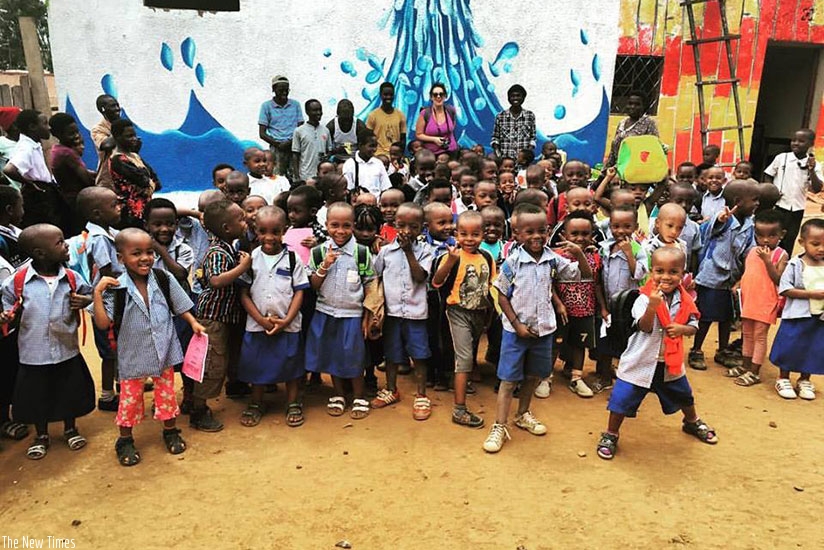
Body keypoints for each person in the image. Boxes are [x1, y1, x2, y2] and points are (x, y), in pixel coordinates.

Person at [93, 228, 204, 466]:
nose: (145, 258)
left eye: (149, 252)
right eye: (136, 253)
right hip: (133, 354)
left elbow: (180, 304)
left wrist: (193, 322)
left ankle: (170, 430)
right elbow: (103, 323)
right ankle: (125, 439)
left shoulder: (163, 278)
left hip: (163, 349)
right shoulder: (115, 287)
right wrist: (97, 293)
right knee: (130, 398)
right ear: (121, 258)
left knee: (166, 394)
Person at [596, 247, 717, 460]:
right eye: (660, 271)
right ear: (652, 272)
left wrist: (683, 330)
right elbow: (643, 326)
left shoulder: (686, 299)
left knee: (684, 395)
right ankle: (611, 433)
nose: (666, 277)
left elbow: (693, 324)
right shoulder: (643, 298)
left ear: (683, 273)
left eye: (673, 272)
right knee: (621, 399)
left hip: (668, 362)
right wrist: (652, 306)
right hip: (640, 360)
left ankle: (691, 421)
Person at [483, 204, 585, 453]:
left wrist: (580, 254)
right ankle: (499, 425)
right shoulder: (513, 261)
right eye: (529, 231)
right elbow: (501, 293)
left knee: (533, 376)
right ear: (516, 233)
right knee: (508, 380)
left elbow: (582, 274)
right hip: (515, 332)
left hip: (544, 331)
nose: (536, 236)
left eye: (541, 230)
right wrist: (516, 325)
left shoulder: (553, 259)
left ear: (548, 230)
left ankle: (523, 414)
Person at [1, 224, 95, 460]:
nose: (66, 246)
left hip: (66, 349)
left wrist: (85, 301)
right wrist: (7, 316)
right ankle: (41, 435)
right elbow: (7, 307)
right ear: (40, 253)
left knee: (68, 391)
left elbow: (91, 296)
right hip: (34, 352)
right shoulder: (19, 281)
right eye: (59, 243)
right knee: (38, 395)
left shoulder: (71, 277)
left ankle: (70, 429)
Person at [236, 206, 309, 427]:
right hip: (257, 325)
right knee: (257, 363)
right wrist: (260, 319)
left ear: (284, 231)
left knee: (291, 364)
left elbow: (299, 291)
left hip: (288, 323)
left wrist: (286, 320)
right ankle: (257, 402)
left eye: (275, 231)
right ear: (255, 231)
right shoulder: (250, 259)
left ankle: (293, 401)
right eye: (263, 231)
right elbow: (244, 294)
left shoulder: (293, 258)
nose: (269, 237)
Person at [305, 202, 377, 420]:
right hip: (325, 312)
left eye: (346, 225)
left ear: (353, 226)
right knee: (333, 355)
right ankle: (338, 394)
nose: (340, 231)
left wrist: (368, 315)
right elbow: (314, 285)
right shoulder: (318, 252)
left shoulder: (361, 253)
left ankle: (358, 395)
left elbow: (369, 285)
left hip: (352, 315)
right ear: (326, 225)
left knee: (354, 357)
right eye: (334, 225)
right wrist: (325, 265)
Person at [192, 200, 252, 432]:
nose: (245, 222)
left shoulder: (229, 246)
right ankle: (199, 409)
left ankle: (233, 386)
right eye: (241, 219)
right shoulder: (216, 251)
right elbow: (216, 281)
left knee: (225, 357)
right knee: (211, 363)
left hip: (225, 316)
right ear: (227, 228)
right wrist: (242, 267)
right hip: (212, 317)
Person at [431, 211, 495, 428]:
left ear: (483, 235)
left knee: (469, 356)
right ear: (456, 234)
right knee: (465, 358)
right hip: (457, 312)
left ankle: (459, 384)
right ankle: (459, 409)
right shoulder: (450, 255)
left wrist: (491, 313)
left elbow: (491, 287)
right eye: (464, 234)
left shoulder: (487, 257)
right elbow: (437, 282)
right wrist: (450, 261)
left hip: (479, 312)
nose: (469, 239)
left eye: (475, 234)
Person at [372, 202, 434, 419]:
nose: (407, 231)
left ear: (422, 228)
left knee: (419, 355)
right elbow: (375, 276)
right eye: (402, 225)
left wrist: (408, 252)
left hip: (416, 314)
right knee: (392, 354)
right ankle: (391, 389)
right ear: (394, 224)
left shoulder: (426, 251)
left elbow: (420, 277)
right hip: (392, 313)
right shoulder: (386, 252)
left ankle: (421, 395)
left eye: (414, 227)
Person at [689, 180, 759, 371]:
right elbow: (714, 226)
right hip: (712, 278)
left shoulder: (749, 225)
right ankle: (696, 350)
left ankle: (722, 350)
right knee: (706, 317)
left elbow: (748, 250)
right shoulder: (724, 219)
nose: (757, 203)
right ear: (738, 201)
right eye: (754, 200)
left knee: (726, 317)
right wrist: (721, 219)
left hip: (731, 280)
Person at [77, 186, 123, 411]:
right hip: (106, 304)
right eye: (113, 205)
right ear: (96, 213)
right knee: (110, 351)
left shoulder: (106, 232)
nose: (119, 208)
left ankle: (121, 384)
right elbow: (108, 273)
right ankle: (107, 397)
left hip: (110, 302)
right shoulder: (99, 239)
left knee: (117, 349)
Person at [731, 210, 788, 387]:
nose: (765, 240)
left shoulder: (781, 255)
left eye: (771, 236)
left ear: (781, 235)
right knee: (747, 333)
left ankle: (755, 371)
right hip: (749, 299)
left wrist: (767, 260)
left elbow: (778, 279)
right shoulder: (753, 251)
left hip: (766, 301)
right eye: (760, 235)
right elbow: (749, 272)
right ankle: (745, 365)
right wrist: (739, 284)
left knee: (759, 336)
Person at [594, 206, 648, 393]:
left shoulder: (639, 249)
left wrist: (629, 254)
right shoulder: (605, 249)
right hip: (608, 305)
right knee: (605, 343)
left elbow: (638, 274)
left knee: (627, 345)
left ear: (635, 227)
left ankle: (625, 383)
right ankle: (605, 377)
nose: (620, 231)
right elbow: (599, 279)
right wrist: (602, 307)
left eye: (626, 226)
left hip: (629, 309)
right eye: (616, 226)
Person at [769, 218, 824, 400]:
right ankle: (783, 377)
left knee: (812, 346)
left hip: (819, 317)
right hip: (797, 315)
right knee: (790, 345)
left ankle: (804, 379)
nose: (821, 249)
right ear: (802, 242)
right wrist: (811, 294)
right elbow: (785, 289)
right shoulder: (795, 264)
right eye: (815, 244)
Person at [553, 211, 602, 397]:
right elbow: (549, 283)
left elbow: (590, 276)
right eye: (574, 234)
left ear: (592, 236)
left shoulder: (594, 256)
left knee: (579, 345)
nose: (579, 238)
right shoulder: (555, 256)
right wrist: (558, 303)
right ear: (564, 235)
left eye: (585, 234)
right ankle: (546, 378)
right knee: (555, 344)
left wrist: (580, 253)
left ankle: (576, 378)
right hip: (561, 310)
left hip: (585, 309)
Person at [2, 109, 69, 233]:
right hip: (40, 196)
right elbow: (9, 169)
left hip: (46, 191)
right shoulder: (26, 147)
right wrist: (29, 183)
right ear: (32, 127)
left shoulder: (33, 145)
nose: (49, 127)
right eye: (44, 124)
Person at [764, 129, 823, 251]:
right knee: (773, 236)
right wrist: (772, 190)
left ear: (811, 144)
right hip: (779, 205)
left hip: (797, 208)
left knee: (789, 238)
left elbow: (817, 189)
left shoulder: (815, 164)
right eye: (793, 140)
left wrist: (811, 170)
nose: (796, 143)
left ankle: (783, 265)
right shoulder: (781, 158)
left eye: (801, 141)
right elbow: (768, 174)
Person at [49, 112, 95, 235]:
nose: (76, 136)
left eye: (76, 132)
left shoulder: (57, 149)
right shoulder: (67, 154)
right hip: (78, 202)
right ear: (57, 134)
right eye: (70, 133)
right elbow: (87, 180)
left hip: (69, 200)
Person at [109, 119, 160, 228]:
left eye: (134, 135)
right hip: (131, 213)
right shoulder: (118, 160)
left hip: (145, 209)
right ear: (117, 138)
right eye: (129, 136)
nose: (134, 139)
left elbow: (156, 181)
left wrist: (149, 182)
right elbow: (143, 180)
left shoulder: (134, 156)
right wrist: (148, 182)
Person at [259, 75, 304, 178]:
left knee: (296, 177)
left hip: (294, 146)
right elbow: (262, 133)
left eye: (286, 90)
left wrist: (291, 142)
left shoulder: (295, 105)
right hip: (276, 148)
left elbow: (301, 128)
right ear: (273, 89)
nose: (284, 92)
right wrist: (278, 144)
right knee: (277, 177)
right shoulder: (266, 106)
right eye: (281, 90)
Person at [605, 91, 659, 168]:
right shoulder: (622, 123)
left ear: (644, 106)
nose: (632, 107)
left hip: (635, 170)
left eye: (637, 104)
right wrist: (605, 171)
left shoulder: (649, 123)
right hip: (616, 169)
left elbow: (653, 148)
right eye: (630, 103)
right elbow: (613, 151)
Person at [491, 84, 536, 160]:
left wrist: (527, 154)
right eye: (512, 96)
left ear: (523, 98)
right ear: (508, 98)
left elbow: (533, 138)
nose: (515, 98)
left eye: (518, 96)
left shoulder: (530, 115)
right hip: (506, 162)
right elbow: (495, 138)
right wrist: (498, 154)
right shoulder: (500, 116)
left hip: (523, 162)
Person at [292, 99, 331, 184]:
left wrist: (326, 156)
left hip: (322, 176)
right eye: (315, 110)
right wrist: (297, 176)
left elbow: (329, 151)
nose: (318, 113)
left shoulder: (326, 130)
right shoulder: (299, 131)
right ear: (307, 112)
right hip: (305, 175)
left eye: (320, 110)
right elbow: (295, 154)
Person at [415, 83, 458, 159]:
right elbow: (419, 134)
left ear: (445, 96)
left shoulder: (451, 110)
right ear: (431, 97)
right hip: (432, 155)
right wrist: (434, 139)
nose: (438, 97)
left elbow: (452, 127)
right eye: (435, 95)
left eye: (441, 94)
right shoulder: (425, 113)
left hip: (451, 152)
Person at [341, 130, 391, 196]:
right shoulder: (350, 164)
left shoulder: (378, 164)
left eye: (376, 146)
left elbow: (385, 187)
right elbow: (349, 189)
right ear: (360, 145)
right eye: (371, 146)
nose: (374, 149)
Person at [366, 82, 407, 157]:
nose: (388, 97)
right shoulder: (372, 115)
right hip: (378, 155)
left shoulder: (400, 115)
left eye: (391, 95)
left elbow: (403, 139)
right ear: (380, 95)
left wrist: (400, 155)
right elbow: (368, 138)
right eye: (385, 95)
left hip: (395, 155)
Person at [90, 94, 121, 189]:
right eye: (112, 106)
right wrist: (119, 128)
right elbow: (106, 144)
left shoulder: (122, 125)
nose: (117, 109)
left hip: (125, 176)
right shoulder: (98, 129)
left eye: (117, 105)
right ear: (103, 109)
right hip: (108, 179)